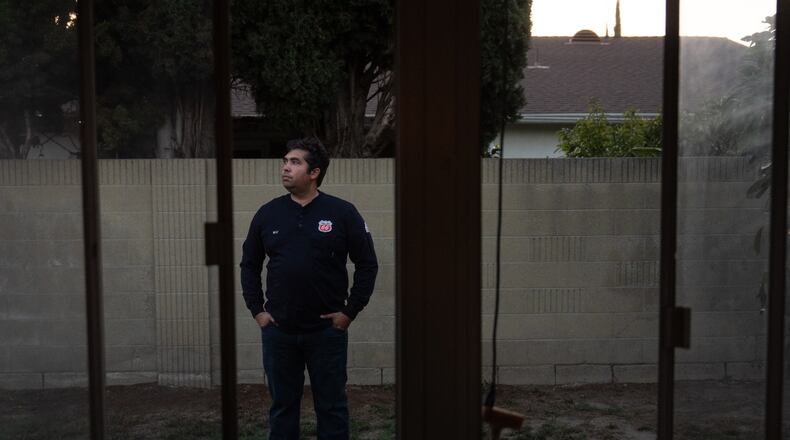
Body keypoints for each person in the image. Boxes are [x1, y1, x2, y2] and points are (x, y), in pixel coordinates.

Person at [240, 137, 378, 440]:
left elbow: (367, 264)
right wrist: (258, 311)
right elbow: (249, 264)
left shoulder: (342, 212)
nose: (285, 168)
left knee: (332, 408)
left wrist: (349, 312)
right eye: (285, 161)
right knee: (282, 408)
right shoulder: (268, 213)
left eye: (295, 162)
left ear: (314, 172)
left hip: (326, 333)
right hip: (279, 331)